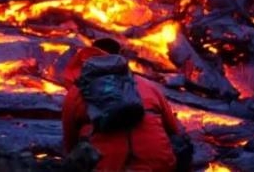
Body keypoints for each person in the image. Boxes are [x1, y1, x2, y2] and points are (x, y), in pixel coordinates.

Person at [62, 38, 182, 172]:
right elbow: (174, 131)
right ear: (120, 59)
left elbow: (70, 143)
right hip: (159, 166)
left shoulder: (76, 92)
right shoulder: (147, 86)